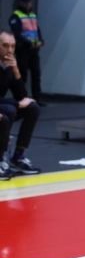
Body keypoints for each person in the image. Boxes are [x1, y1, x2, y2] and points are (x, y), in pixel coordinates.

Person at [0, 31, 41, 178]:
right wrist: (16, 104)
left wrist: (16, 71)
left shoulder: (9, 64)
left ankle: (18, 155)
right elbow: (18, 101)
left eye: (12, 46)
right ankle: (1, 159)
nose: (10, 50)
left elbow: (22, 96)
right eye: (5, 46)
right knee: (9, 111)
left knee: (32, 108)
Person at [8, 0, 44, 103]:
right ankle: (21, 98)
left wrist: (41, 40)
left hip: (34, 50)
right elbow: (17, 34)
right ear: (20, 3)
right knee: (22, 75)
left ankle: (37, 99)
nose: (28, 4)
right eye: (25, 2)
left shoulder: (33, 15)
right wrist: (29, 42)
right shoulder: (15, 16)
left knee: (36, 74)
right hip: (23, 50)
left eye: (29, 2)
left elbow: (37, 30)